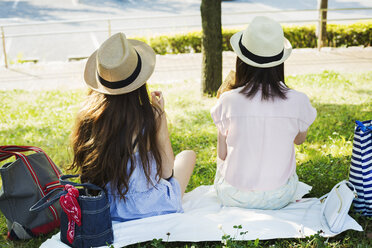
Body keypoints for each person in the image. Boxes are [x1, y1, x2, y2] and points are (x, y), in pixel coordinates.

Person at [69, 32, 196, 221]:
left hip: (107, 208)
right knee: (188, 155)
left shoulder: (88, 117)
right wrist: (161, 119)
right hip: (151, 206)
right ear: (139, 81)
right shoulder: (150, 116)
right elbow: (167, 172)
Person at [211, 16, 317, 210]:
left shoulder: (227, 100)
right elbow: (299, 140)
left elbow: (222, 154)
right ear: (279, 62)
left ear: (241, 61)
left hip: (233, 196)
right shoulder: (298, 100)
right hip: (279, 197)